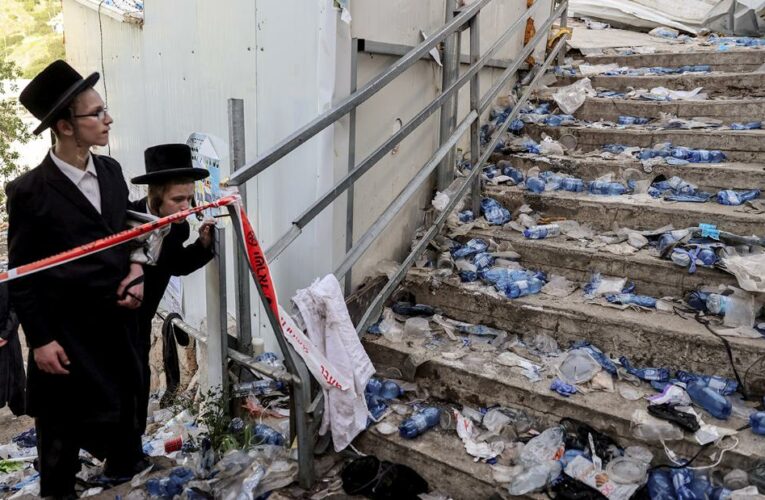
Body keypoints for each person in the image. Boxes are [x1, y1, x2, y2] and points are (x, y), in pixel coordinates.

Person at [7, 60, 146, 498]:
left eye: (105, 110)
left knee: (123, 410)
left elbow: (129, 231)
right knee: (61, 427)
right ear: (65, 127)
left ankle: (122, 475)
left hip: (114, 321)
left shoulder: (111, 171)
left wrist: (137, 270)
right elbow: (22, 275)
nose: (108, 120)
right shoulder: (30, 192)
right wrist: (41, 339)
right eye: (96, 113)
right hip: (64, 333)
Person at [129, 143, 214, 439]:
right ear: (155, 196)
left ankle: (131, 453)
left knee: (138, 383)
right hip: (108, 319)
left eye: (190, 198)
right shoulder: (127, 222)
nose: (186, 207)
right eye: (178, 199)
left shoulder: (178, 227)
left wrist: (203, 244)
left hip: (140, 321)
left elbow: (175, 265)